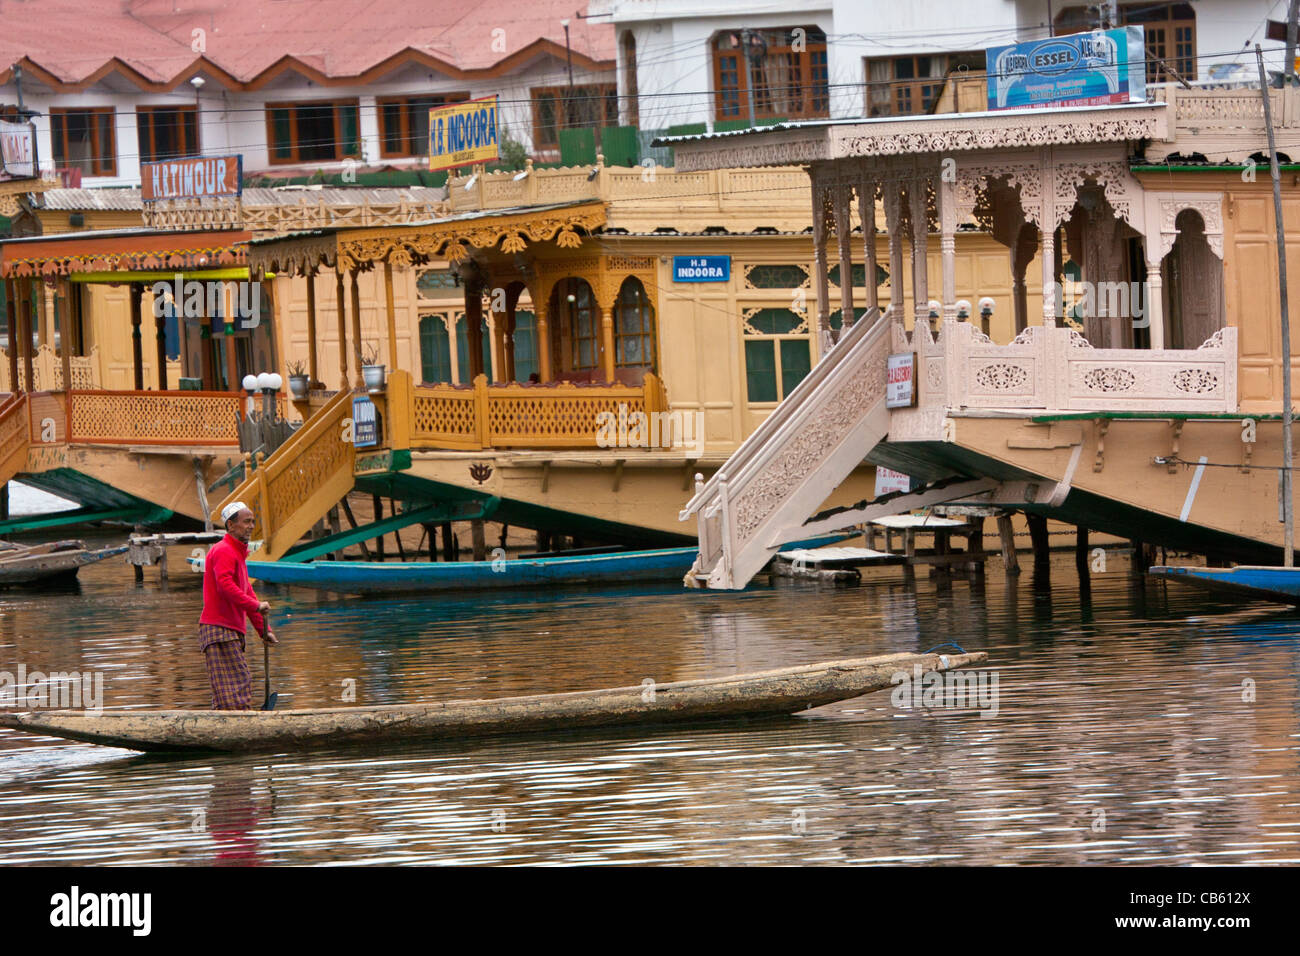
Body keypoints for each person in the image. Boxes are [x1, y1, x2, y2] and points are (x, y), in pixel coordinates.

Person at [199, 501, 278, 709]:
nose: (251, 526)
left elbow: (247, 593)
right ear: (231, 525)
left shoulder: (237, 553)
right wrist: (256, 606)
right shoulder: (224, 550)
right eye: (246, 522)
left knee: (234, 684)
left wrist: (264, 630)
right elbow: (225, 586)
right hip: (219, 628)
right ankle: (238, 722)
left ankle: (234, 722)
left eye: (252, 522)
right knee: (236, 682)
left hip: (229, 629)